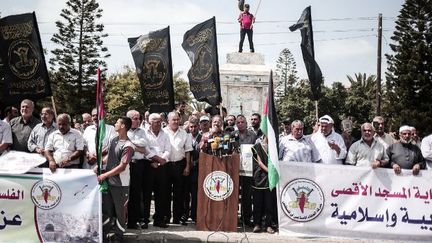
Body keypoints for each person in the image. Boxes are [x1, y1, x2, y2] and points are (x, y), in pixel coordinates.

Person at [97, 116, 134, 242]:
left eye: (117, 122)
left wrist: (105, 175)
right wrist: (98, 166)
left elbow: (122, 167)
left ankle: (119, 237)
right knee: (106, 210)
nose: (115, 124)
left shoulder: (129, 146)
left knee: (120, 213)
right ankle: (104, 235)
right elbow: (109, 157)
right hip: (109, 182)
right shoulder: (114, 140)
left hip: (120, 184)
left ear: (123, 126)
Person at [126, 110, 155, 230]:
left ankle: (141, 219)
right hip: (127, 165)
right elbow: (124, 144)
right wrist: (136, 146)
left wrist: (131, 144)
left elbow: (144, 146)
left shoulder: (142, 131)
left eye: (138, 118)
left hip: (141, 165)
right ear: (128, 120)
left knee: (141, 194)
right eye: (134, 118)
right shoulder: (124, 130)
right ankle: (130, 220)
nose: (137, 120)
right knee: (130, 194)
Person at [164, 112, 193, 225]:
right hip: (166, 165)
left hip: (180, 165)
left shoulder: (184, 133)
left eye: (177, 119)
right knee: (165, 192)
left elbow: (188, 151)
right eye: (173, 120)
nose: (176, 122)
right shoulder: (163, 132)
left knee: (179, 192)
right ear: (168, 121)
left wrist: (187, 166)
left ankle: (177, 217)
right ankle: (166, 216)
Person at [143, 113, 171, 228]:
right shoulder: (143, 133)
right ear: (150, 122)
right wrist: (155, 158)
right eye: (156, 121)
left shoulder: (165, 134)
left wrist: (160, 161)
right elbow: (145, 149)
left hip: (161, 167)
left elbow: (168, 150)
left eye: (160, 121)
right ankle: (144, 219)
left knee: (161, 194)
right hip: (148, 165)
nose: (159, 123)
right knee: (146, 194)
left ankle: (159, 219)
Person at [234, 115, 256, 227]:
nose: (240, 124)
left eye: (242, 122)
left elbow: (256, 152)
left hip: (248, 170)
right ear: (236, 124)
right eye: (238, 122)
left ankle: (246, 218)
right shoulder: (233, 136)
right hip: (234, 169)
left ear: (246, 123)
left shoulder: (253, 136)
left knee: (247, 195)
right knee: (234, 194)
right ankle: (233, 217)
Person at [251, 135, 276, 234]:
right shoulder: (258, 146)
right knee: (258, 203)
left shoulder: (274, 147)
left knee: (269, 203)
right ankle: (257, 224)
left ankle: (268, 225)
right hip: (260, 177)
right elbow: (260, 163)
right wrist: (270, 172)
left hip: (270, 179)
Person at [183, 117, 201, 223]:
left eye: (195, 127)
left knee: (195, 193)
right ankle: (185, 214)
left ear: (198, 126)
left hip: (197, 168)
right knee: (185, 193)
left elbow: (204, 154)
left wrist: (195, 162)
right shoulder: (186, 136)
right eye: (191, 127)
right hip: (185, 168)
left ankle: (194, 214)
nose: (193, 129)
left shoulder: (202, 137)